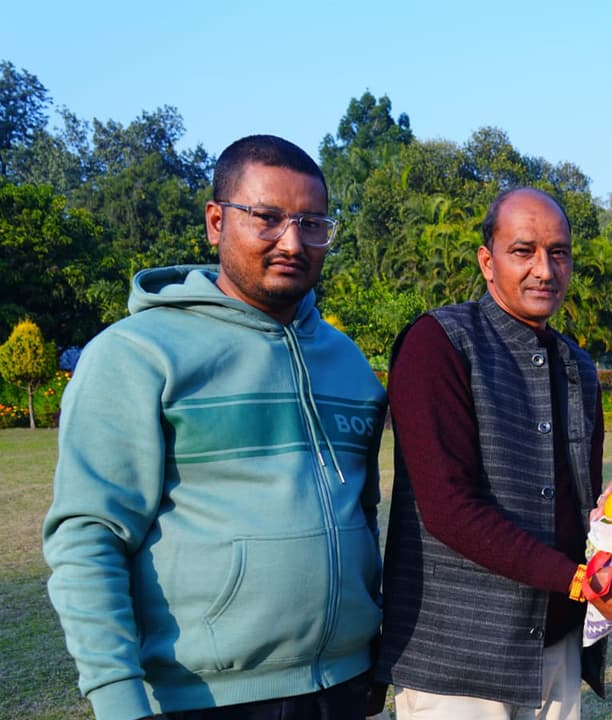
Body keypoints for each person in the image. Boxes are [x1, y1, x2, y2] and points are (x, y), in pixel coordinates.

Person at [43, 135, 388, 720]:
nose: (292, 241)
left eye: (312, 223)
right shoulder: (136, 354)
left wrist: (372, 653)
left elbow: (364, 513)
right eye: (267, 218)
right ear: (215, 221)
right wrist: (117, 697)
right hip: (203, 697)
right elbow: (88, 534)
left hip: (346, 686)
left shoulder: (348, 363)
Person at [376, 187, 612, 720]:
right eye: (523, 251)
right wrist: (579, 581)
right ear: (487, 262)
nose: (544, 269)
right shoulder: (439, 343)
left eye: (558, 252)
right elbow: (447, 507)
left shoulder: (577, 366)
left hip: (557, 644)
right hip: (460, 658)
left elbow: (578, 504)